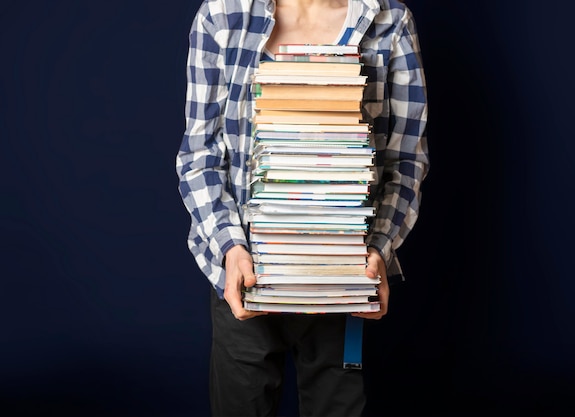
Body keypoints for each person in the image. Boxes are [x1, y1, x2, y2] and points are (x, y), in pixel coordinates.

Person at [176, 0, 428, 415]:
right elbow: (199, 155)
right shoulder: (222, 15)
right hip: (243, 270)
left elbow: (405, 160)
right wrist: (229, 247)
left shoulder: (390, 20)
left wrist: (379, 246)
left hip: (344, 276)